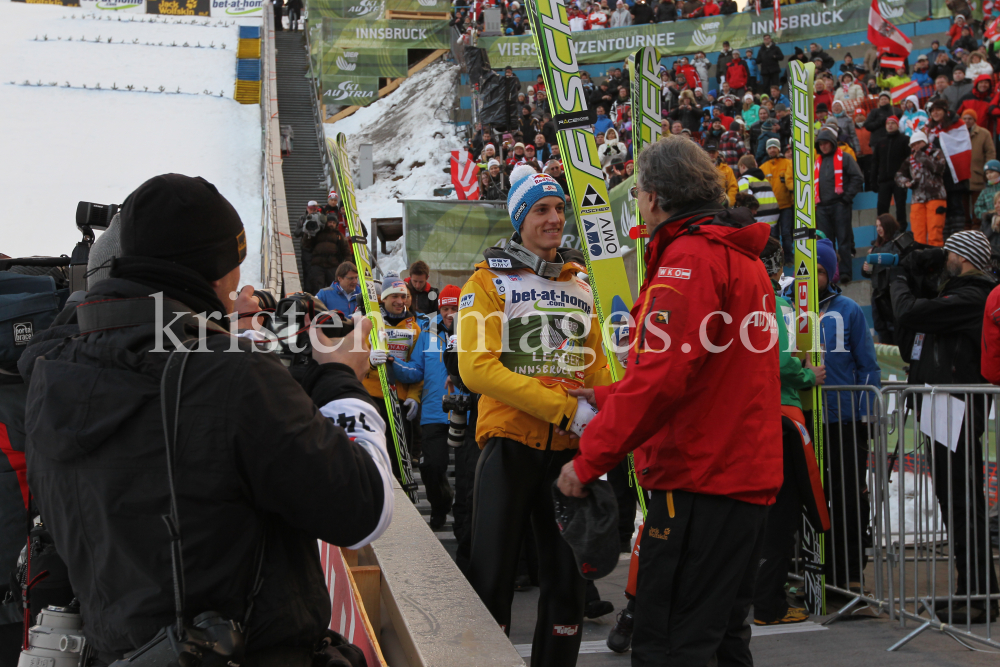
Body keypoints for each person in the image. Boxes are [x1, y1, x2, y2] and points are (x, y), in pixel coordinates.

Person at [17, 173, 394, 661]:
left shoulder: (52, 372)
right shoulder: (229, 376)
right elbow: (363, 509)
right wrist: (341, 379)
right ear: (214, 272)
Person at [558, 136, 780, 667]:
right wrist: (609, 394)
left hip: (700, 479)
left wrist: (588, 462)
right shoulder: (736, 256)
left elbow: (663, 379)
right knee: (723, 638)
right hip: (737, 477)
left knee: (669, 643)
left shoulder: (690, 259)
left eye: (636, 194)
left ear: (654, 197)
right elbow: (707, 371)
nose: (636, 204)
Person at [458, 164, 612, 666]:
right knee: (492, 586)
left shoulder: (580, 283)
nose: (553, 218)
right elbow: (476, 369)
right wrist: (563, 408)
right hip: (510, 446)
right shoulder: (487, 282)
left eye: (559, 208)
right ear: (519, 218)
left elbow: (602, 369)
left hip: (569, 455)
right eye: (541, 210)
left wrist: (607, 419)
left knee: (568, 590)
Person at [894, 231, 1000, 623]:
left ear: (966, 257)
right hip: (941, 408)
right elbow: (908, 340)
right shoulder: (953, 295)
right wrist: (914, 282)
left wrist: (899, 281)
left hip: (956, 408)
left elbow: (910, 312)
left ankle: (981, 595)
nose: (944, 258)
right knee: (953, 502)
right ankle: (969, 590)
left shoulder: (975, 296)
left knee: (962, 501)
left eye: (950, 252)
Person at [752, 237, 826, 626]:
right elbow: (781, 361)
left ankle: (758, 596)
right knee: (782, 513)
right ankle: (769, 603)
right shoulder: (777, 307)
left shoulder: (736, 303)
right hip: (782, 417)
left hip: (749, 419)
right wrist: (806, 375)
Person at [811, 238, 881, 594]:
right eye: (809, 269)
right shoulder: (791, 308)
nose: (814, 276)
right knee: (813, 497)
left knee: (848, 497)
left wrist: (868, 416)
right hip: (806, 421)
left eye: (820, 270)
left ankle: (851, 572)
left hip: (843, 421)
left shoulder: (848, 309)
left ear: (832, 273)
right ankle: (813, 570)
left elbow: (868, 365)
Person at [405, 284, 465, 531]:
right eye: (446, 308)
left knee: (466, 473)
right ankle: (440, 505)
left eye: (454, 308)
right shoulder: (428, 331)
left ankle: (465, 517)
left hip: (466, 410)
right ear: (440, 309)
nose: (450, 313)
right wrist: (389, 361)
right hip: (434, 410)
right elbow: (416, 369)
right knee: (431, 466)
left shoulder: (473, 330)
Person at [366, 277, 423, 481]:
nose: (400, 301)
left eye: (404, 296)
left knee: (399, 458)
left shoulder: (414, 328)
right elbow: (352, 360)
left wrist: (414, 397)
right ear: (384, 298)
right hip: (371, 397)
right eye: (395, 296)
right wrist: (370, 361)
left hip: (399, 399)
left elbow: (419, 367)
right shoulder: (369, 323)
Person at [815, 126, 864, 283]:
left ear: (832, 143)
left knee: (843, 241)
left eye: (826, 143)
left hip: (840, 205)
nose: (823, 146)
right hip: (821, 208)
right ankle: (830, 274)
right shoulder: (816, 163)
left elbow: (857, 177)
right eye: (820, 143)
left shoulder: (845, 157)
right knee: (825, 243)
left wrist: (846, 198)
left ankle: (845, 273)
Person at [896, 130, 948, 247]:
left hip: (936, 197)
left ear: (925, 141)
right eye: (913, 145)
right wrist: (906, 183)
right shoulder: (910, 159)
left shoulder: (936, 152)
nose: (916, 146)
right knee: (918, 235)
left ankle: (936, 261)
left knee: (935, 233)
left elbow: (938, 168)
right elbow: (898, 175)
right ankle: (921, 261)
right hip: (917, 199)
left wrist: (922, 157)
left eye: (918, 143)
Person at [862, 214, 906, 343]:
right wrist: (866, 267)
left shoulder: (898, 242)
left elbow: (897, 261)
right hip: (878, 294)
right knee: (881, 329)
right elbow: (869, 273)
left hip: (891, 292)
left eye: (881, 225)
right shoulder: (876, 246)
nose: (879, 229)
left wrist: (875, 258)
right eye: (876, 226)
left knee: (895, 329)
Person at [874, 116, 911, 229]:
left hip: (899, 180)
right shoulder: (880, 142)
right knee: (882, 208)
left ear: (897, 125)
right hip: (884, 181)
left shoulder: (905, 140)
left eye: (893, 123)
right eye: (888, 123)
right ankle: (883, 231)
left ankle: (901, 231)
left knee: (900, 206)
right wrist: (873, 180)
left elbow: (909, 160)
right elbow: (875, 162)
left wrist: (908, 177)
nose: (890, 125)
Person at [761, 138, 794, 260]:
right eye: (769, 148)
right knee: (773, 235)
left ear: (779, 149)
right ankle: (776, 259)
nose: (772, 150)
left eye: (774, 147)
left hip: (786, 205)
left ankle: (789, 257)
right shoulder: (763, 167)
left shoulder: (787, 163)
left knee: (786, 233)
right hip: (771, 208)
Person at [303, 214, 350, 295]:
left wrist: (347, 265)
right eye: (329, 222)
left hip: (333, 265)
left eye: (333, 223)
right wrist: (308, 234)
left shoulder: (339, 236)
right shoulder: (317, 233)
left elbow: (346, 251)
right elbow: (306, 245)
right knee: (317, 287)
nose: (331, 224)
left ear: (336, 224)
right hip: (317, 265)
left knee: (333, 288)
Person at [963, 110, 996, 216]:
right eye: (964, 118)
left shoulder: (984, 133)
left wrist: (987, 171)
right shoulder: (958, 133)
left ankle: (977, 227)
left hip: (978, 175)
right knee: (963, 205)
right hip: (962, 176)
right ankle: (966, 226)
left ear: (975, 120)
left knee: (977, 204)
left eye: (970, 118)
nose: (967, 121)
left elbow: (990, 153)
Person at [737, 155, 779, 224]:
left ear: (743, 166)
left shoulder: (745, 179)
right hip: (774, 217)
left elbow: (745, 200)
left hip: (759, 217)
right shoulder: (765, 180)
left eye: (739, 168)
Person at [706, 142, 738, 206]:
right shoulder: (701, 168)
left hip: (722, 204)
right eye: (709, 152)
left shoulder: (727, 170)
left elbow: (733, 187)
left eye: (713, 152)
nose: (711, 154)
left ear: (717, 153)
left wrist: (729, 203)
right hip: (706, 205)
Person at [974, 160, 1000, 229]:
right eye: (987, 173)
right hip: (989, 224)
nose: (989, 175)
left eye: (991, 172)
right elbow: (977, 207)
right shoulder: (985, 191)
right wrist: (987, 215)